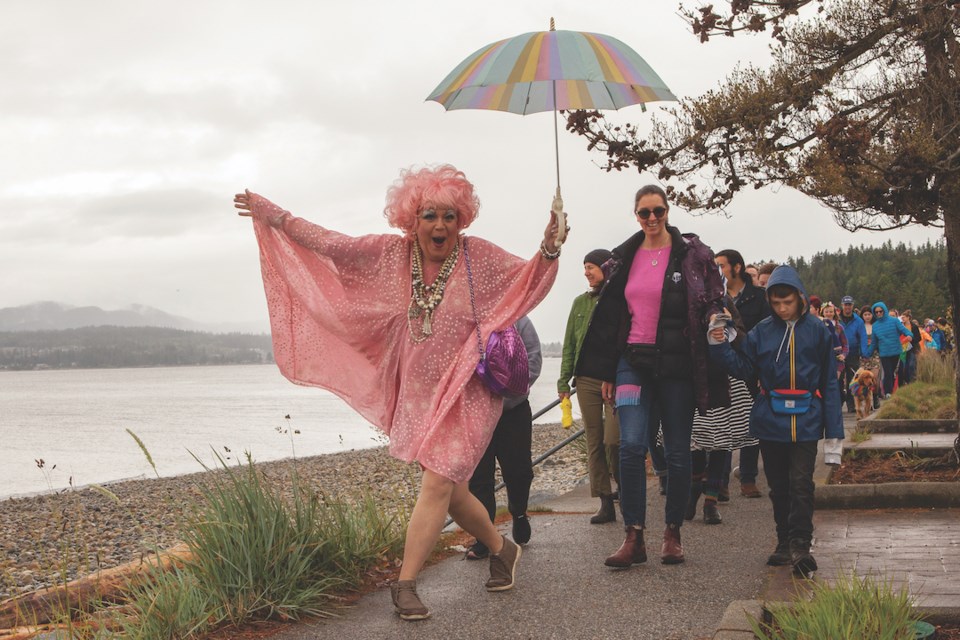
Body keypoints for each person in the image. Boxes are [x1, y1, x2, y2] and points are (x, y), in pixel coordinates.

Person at [234, 164, 562, 621]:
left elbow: (526, 281)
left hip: (467, 392)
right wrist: (274, 215)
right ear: (412, 219)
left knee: (437, 484)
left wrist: (548, 248)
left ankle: (405, 584)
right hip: (417, 392)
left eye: (450, 215)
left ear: (462, 218)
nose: (440, 225)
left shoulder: (477, 258)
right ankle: (501, 548)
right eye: (430, 215)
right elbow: (331, 245)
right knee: (455, 491)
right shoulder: (391, 255)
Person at [576, 184, 728, 568]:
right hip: (633, 362)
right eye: (644, 213)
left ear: (667, 210)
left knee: (678, 452)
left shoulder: (693, 255)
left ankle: (672, 532)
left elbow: (713, 298)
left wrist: (716, 321)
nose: (652, 219)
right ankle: (634, 536)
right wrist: (608, 369)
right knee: (629, 446)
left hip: (678, 365)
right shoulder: (623, 258)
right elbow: (612, 318)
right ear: (636, 216)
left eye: (657, 211)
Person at [708, 265, 844, 578]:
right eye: (776, 303)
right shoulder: (760, 333)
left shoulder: (819, 332)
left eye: (788, 303)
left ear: (799, 297)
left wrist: (835, 434)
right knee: (779, 486)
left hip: (808, 418)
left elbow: (830, 383)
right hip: (771, 419)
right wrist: (718, 344)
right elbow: (742, 368)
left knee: (801, 484)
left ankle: (801, 546)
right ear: (770, 300)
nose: (782, 309)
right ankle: (784, 542)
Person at [467, 316, 541, 559]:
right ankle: (484, 537)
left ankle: (519, 513)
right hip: (477, 414)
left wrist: (504, 387)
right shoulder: (467, 321)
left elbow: (534, 360)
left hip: (514, 410)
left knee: (519, 471)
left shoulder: (518, 319)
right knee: (479, 479)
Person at [557, 249, 622, 524]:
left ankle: (625, 487)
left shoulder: (619, 300)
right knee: (594, 441)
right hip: (585, 379)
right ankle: (605, 502)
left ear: (606, 269)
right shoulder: (579, 303)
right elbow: (570, 342)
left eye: (592, 267)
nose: (586, 272)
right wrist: (563, 380)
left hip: (616, 379)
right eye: (585, 267)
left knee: (614, 440)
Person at [687, 296, 756, 525]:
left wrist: (726, 331)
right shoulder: (685, 296)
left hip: (724, 378)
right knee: (693, 438)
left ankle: (711, 501)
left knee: (721, 442)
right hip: (692, 378)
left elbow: (741, 334)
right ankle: (695, 484)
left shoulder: (724, 301)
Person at [714, 248, 770, 499]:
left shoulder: (760, 297)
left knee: (751, 421)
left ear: (736, 267)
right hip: (723, 366)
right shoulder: (715, 297)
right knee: (723, 422)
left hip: (749, 365)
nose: (718, 271)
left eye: (722, 266)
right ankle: (721, 481)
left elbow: (767, 333)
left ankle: (748, 478)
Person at [862, 301, 912, 399]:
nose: (879, 314)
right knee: (888, 373)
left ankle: (892, 392)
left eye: (880, 311)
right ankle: (888, 393)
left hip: (896, 351)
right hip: (884, 353)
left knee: (894, 373)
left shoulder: (894, 321)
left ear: (884, 310)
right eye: (876, 312)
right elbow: (874, 343)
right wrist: (867, 354)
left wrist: (909, 335)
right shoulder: (875, 326)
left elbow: (904, 330)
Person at [839, 296, 867, 414]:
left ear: (853, 305)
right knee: (838, 379)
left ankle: (851, 404)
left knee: (853, 380)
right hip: (838, 354)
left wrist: (864, 352)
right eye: (845, 305)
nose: (847, 307)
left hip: (853, 353)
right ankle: (840, 401)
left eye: (849, 305)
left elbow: (863, 337)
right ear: (842, 305)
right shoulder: (837, 319)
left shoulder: (858, 321)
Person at [820, 302, 849, 400]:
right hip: (824, 358)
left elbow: (845, 344)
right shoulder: (819, 325)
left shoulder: (839, 327)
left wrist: (844, 355)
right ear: (822, 312)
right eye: (826, 311)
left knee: (836, 383)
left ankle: (839, 403)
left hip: (837, 358)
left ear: (834, 313)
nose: (828, 314)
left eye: (831, 312)